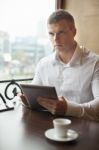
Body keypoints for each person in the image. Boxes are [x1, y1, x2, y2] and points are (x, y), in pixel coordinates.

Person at [21, 9, 99, 121]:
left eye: (61, 32)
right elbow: (34, 97)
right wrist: (27, 100)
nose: (55, 39)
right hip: (48, 127)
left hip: (86, 130)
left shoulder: (95, 63)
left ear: (74, 32)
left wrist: (68, 109)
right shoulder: (43, 63)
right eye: (51, 33)